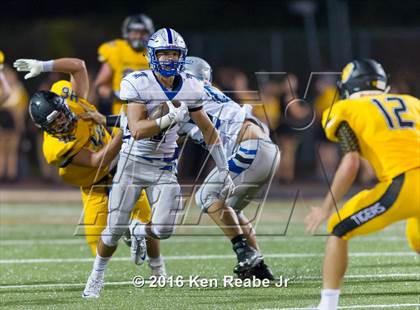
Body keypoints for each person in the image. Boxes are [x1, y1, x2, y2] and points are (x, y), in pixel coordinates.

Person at [82, 27, 234, 298]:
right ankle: (97, 275)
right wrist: (170, 119)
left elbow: (209, 129)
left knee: (163, 229)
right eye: (164, 53)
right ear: (152, 55)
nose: (169, 59)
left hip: (163, 167)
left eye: (174, 54)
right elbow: (138, 128)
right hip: (132, 163)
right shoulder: (137, 82)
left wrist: (224, 168)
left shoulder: (190, 85)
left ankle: (138, 229)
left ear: (182, 56)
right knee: (112, 232)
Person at [13, 58, 166, 277]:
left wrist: (44, 65)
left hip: (122, 171)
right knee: (99, 244)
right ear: (44, 128)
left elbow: (79, 66)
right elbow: (97, 161)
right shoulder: (55, 148)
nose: (61, 122)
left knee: (150, 225)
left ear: (63, 104)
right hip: (94, 185)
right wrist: (125, 129)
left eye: (60, 115)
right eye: (54, 123)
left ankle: (157, 267)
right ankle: (126, 233)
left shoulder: (72, 99)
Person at [305, 59, 420, 310]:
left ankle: (327, 306)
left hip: (404, 184)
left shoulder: (346, 108)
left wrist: (326, 208)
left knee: (338, 227)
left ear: (348, 86)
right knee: (417, 237)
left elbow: (350, 164)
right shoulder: (413, 103)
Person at [179, 56, 280, 279]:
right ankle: (259, 267)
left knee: (206, 196)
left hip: (249, 148)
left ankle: (243, 250)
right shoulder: (211, 94)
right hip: (266, 150)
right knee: (231, 210)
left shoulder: (188, 93)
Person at [95, 14, 154, 115]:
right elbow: (100, 85)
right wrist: (116, 95)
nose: (138, 36)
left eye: (142, 32)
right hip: (121, 114)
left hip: (150, 112)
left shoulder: (154, 52)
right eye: (134, 32)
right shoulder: (116, 49)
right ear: (127, 32)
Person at [0, 62, 27, 182]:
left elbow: (21, 108)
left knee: (12, 150)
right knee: (2, 149)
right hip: (3, 118)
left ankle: (11, 175)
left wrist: (20, 123)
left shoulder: (18, 89)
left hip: (13, 120)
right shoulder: (6, 89)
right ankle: (2, 174)